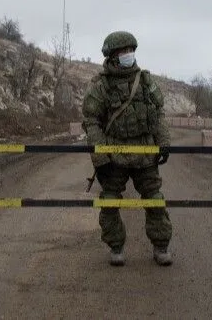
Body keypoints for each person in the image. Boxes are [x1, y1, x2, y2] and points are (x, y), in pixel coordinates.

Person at [82, 31, 173, 267]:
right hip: (115, 155)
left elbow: (158, 114)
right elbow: (92, 122)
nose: (128, 55)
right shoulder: (101, 86)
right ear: (112, 56)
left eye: (130, 51)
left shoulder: (144, 81)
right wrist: (100, 157)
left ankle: (161, 246)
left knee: (155, 200)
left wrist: (163, 141)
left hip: (145, 152)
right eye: (123, 52)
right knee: (110, 202)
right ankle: (116, 246)